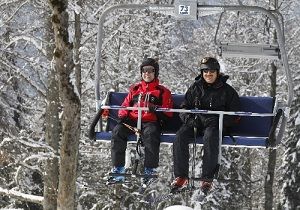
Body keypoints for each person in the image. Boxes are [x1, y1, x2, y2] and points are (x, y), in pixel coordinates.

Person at [171, 57, 240, 194]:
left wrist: (219, 121)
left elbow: (235, 115)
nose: (208, 74)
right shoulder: (195, 88)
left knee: (210, 136)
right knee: (180, 136)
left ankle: (207, 178)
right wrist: (189, 119)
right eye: (205, 71)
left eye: (212, 71)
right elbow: (184, 107)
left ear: (217, 72)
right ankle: (181, 176)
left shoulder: (227, 91)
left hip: (214, 126)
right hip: (196, 122)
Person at [108, 58, 173, 186]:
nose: (147, 73)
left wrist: (157, 111)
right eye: (144, 70)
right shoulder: (135, 89)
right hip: (132, 121)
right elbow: (124, 106)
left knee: (151, 134)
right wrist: (123, 116)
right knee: (117, 131)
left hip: (150, 122)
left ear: (155, 73)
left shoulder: (162, 91)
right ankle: (118, 169)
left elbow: (168, 112)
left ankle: (149, 169)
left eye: (150, 70)